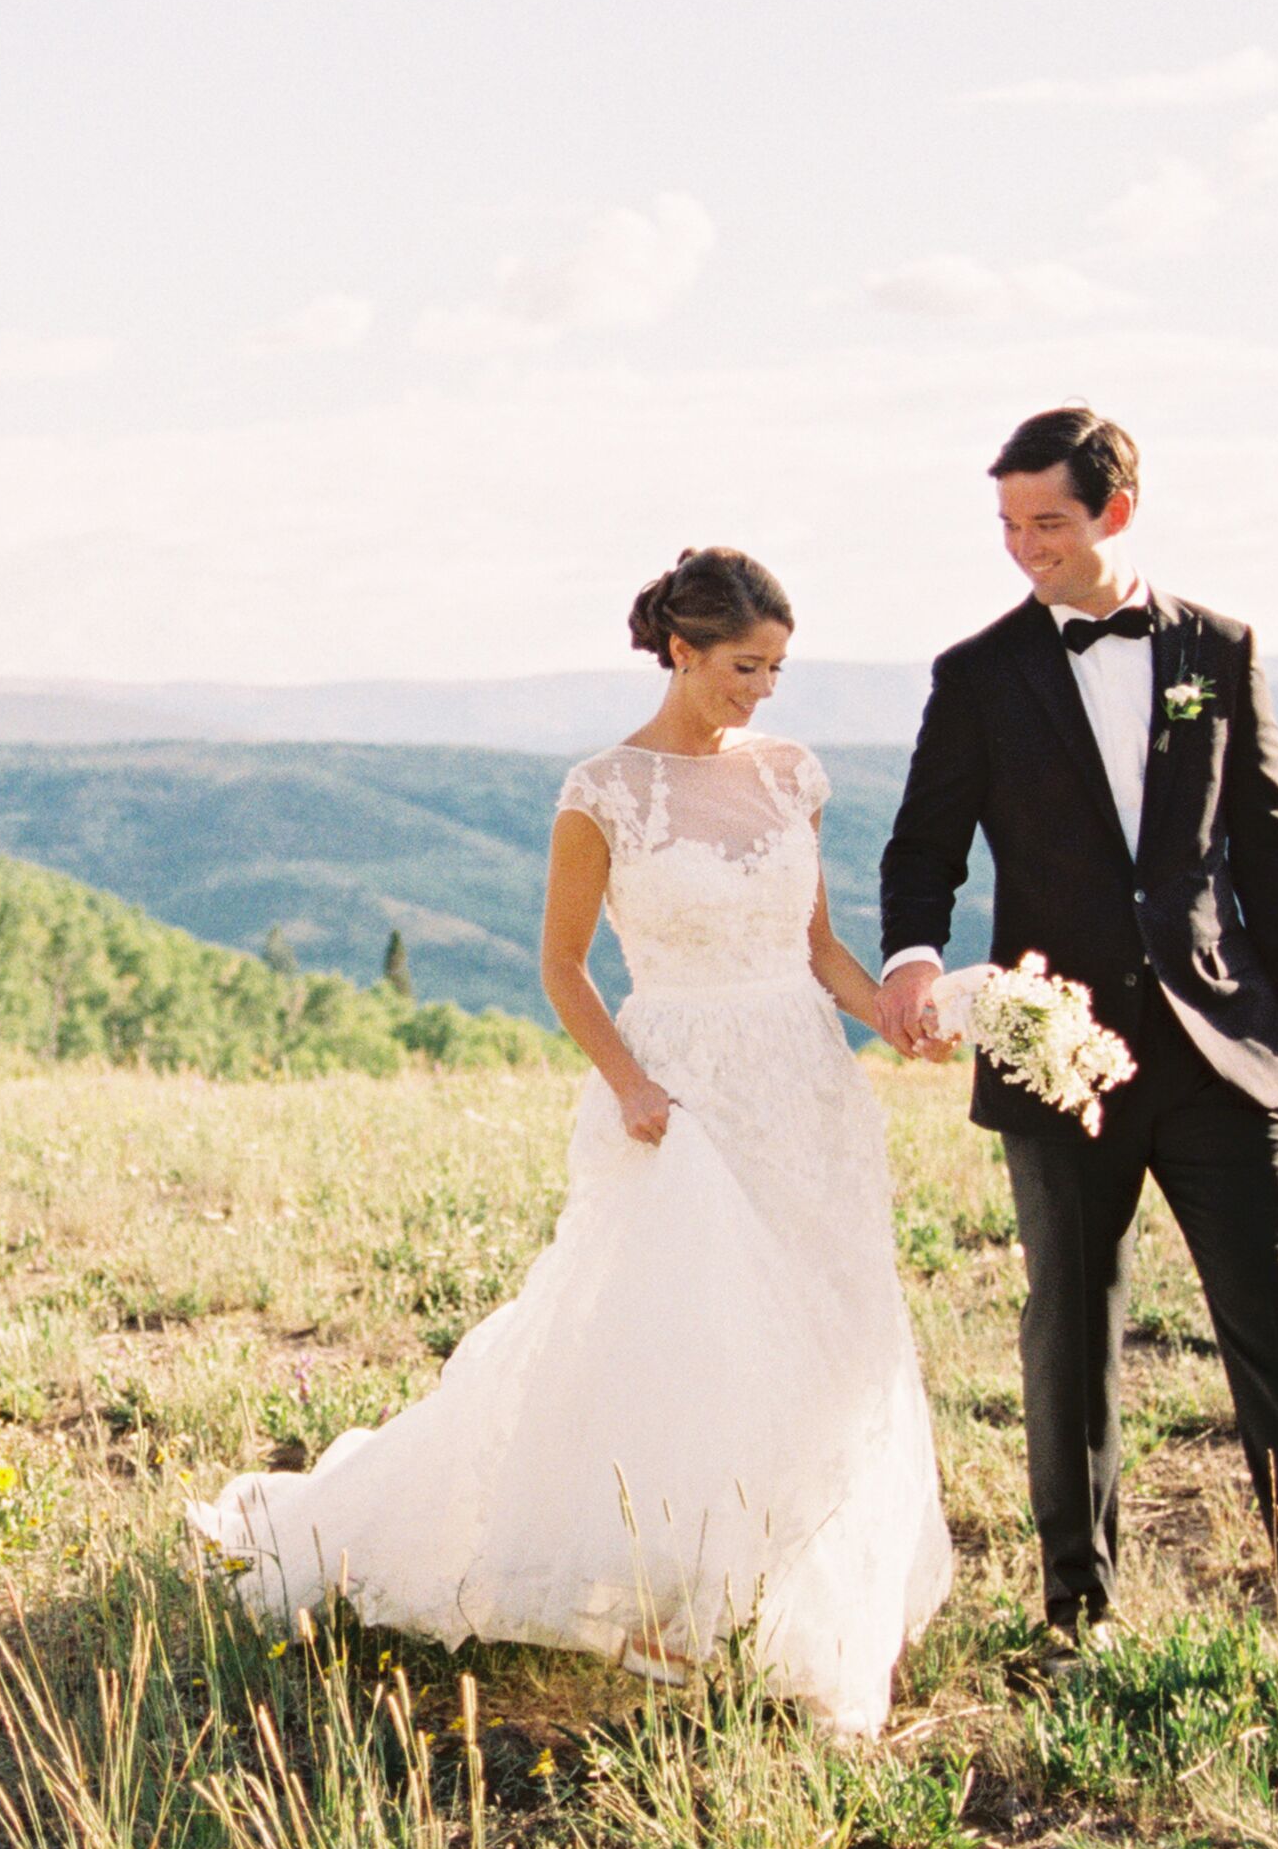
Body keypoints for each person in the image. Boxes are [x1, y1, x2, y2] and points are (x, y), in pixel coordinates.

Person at [190, 548, 952, 1735]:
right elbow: (561, 965)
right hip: (680, 1089)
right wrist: (631, 1083)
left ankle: (794, 1577)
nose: (763, 689)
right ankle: (657, 1591)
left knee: (827, 1327)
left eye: (778, 669)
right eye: (745, 666)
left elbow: (817, 949)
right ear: (681, 650)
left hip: (801, 1086)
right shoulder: (602, 790)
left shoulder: (792, 776)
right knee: (683, 1330)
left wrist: (895, 1017)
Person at [875, 407, 1278, 1701]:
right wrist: (908, 957)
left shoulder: (1215, 651)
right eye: (1006, 526)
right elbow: (922, 847)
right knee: (1069, 1333)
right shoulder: (973, 674)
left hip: (1218, 1047)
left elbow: (1271, 846)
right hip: (1046, 1041)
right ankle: (1079, 1616)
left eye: (1046, 524)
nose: (1023, 550)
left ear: (1114, 512)